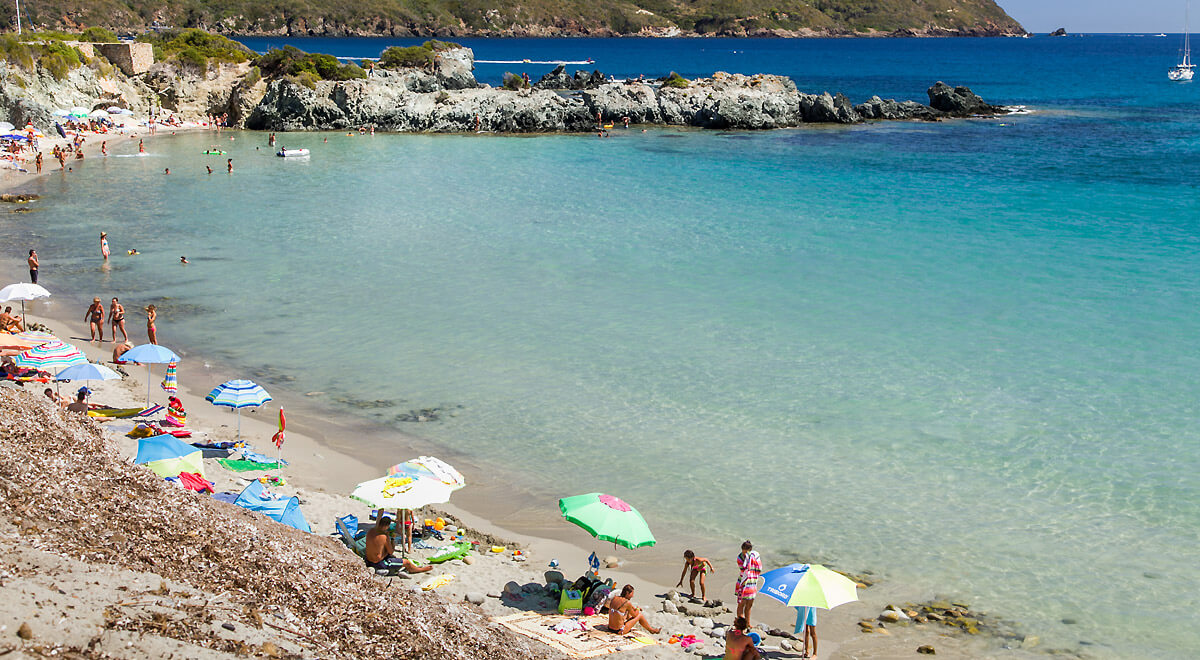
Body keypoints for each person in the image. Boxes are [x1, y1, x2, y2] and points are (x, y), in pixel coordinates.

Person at [363, 515, 432, 574]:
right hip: (378, 563)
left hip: (368, 560)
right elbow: (391, 551)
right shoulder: (384, 537)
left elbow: (377, 545)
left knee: (389, 554)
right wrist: (392, 539)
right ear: (387, 526)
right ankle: (418, 569)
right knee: (406, 562)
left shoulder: (371, 531)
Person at [735, 540, 762, 626]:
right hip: (743, 581)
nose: (744, 554)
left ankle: (748, 623)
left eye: (745, 552)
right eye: (743, 551)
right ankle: (740, 624)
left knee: (749, 605)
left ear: (750, 550)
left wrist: (750, 560)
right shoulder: (740, 557)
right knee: (741, 604)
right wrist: (748, 560)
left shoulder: (755, 556)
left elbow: (759, 568)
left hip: (752, 582)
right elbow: (743, 569)